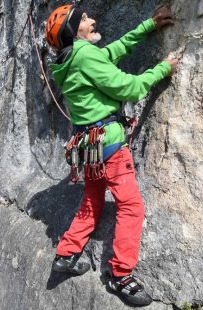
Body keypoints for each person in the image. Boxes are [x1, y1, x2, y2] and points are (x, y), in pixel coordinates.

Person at [45, 4, 179, 307]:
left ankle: (66, 254)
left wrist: (148, 26)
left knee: (92, 201)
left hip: (88, 147)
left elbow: (113, 50)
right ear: (73, 32)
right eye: (84, 20)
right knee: (131, 206)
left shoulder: (67, 62)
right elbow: (127, 88)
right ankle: (121, 276)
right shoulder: (84, 55)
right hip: (108, 145)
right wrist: (163, 68)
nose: (92, 20)